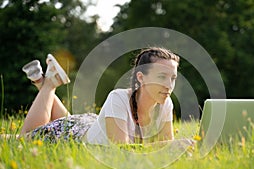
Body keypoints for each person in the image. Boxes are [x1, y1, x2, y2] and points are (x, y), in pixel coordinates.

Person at [19, 47, 180, 145]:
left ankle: (41, 81)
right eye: (161, 77)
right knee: (23, 138)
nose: (169, 85)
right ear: (141, 77)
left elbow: (165, 145)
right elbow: (121, 148)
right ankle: (47, 84)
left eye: (173, 78)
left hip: (89, 123)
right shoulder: (118, 97)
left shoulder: (165, 103)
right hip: (74, 133)